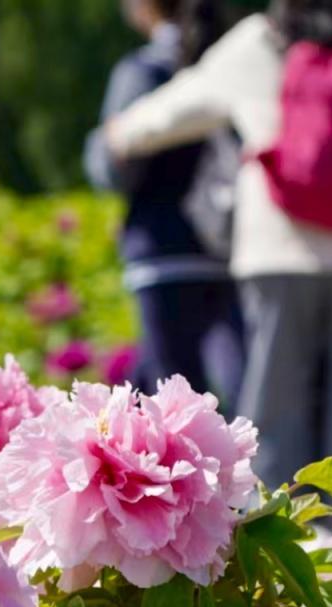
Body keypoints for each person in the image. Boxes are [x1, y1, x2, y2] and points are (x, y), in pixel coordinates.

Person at [108, 0, 332, 487]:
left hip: (276, 249)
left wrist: (120, 134)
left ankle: (273, 532)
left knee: (274, 398)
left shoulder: (256, 41)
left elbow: (181, 104)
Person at [87, 0, 246, 406]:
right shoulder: (231, 64)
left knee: (170, 397)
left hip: (163, 250)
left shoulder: (143, 71)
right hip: (229, 247)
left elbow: (115, 169)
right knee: (239, 387)